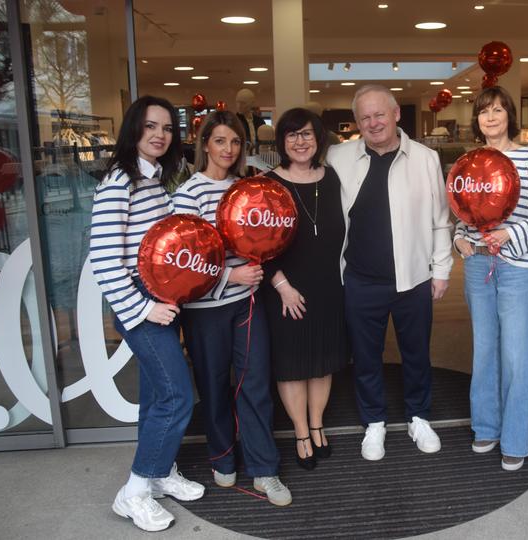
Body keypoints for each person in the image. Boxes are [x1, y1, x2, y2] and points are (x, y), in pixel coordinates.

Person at [90, 96, 205, 532]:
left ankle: (158, 472)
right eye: (150, 126)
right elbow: (105, 260)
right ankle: (134, 491)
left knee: (158, 394)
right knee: (177, 395)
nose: (160, 135)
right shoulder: (120, 180)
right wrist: (143, 307)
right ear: (133, 130)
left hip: (160, 297)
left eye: (167, 128)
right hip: (141, 303)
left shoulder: (154, 179)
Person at [326, 84, 453, 461]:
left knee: (417, 353)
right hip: (360, 278)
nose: (373, 123)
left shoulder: (426, 158)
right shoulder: (338, 156)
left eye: (379, 114)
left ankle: (419, 417)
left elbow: (441, 220)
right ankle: (374, 422)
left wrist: (441, 269)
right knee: (366, 356)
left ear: (396, 114)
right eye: (364, 117)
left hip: (413, 277)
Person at [171, 110, 292, 506]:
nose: (229, 149)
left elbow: (263, 239)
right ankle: (222, 457)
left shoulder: (246, 189)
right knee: (213, 385)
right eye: (220, 140)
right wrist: (229, 275)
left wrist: (259, 268)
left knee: (255, 384)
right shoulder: (187, 194)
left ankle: (264, 469)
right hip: (205, 308)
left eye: (236, 141)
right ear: (205, 144)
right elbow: (182, 260)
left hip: (246, 304)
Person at [453, 86, 528, 471]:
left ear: (510, 115)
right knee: (485, 349)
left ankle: (515, 438)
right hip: (477, 264)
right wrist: (459, 237)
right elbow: (462, 211)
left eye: (497, 110)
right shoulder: (470, 160)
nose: (490, 118)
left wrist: (511, 234)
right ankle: (486, 426)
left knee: (517, 355)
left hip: (516, 265)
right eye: (483, 112)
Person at [260, 107, 349, 470]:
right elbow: (255, 244)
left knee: (322, 363)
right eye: (292, 135)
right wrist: (282, 286)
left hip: (328, 286)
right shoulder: (267, 185)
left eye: (307, 134)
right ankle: (300, 432)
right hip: (285, 288)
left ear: (318, 138)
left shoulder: (333, 179)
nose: (300, 141)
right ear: (282, 141)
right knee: (293, 363)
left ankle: (316, 424)